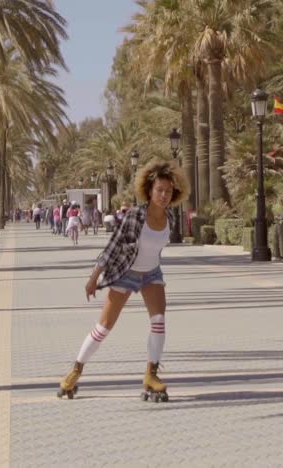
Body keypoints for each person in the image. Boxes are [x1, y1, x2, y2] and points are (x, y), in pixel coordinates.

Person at [57, 160, 188, 402]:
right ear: (149, 191)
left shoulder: (170, 216)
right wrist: (93, 278)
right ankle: (75, 371)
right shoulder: (136, 216)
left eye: (168, 191)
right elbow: (112, 246)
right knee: (104, 327)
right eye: (159, 190)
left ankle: (151, 374)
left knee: (159, 321)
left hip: (152, 274)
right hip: (126, 273)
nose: (163, 195)